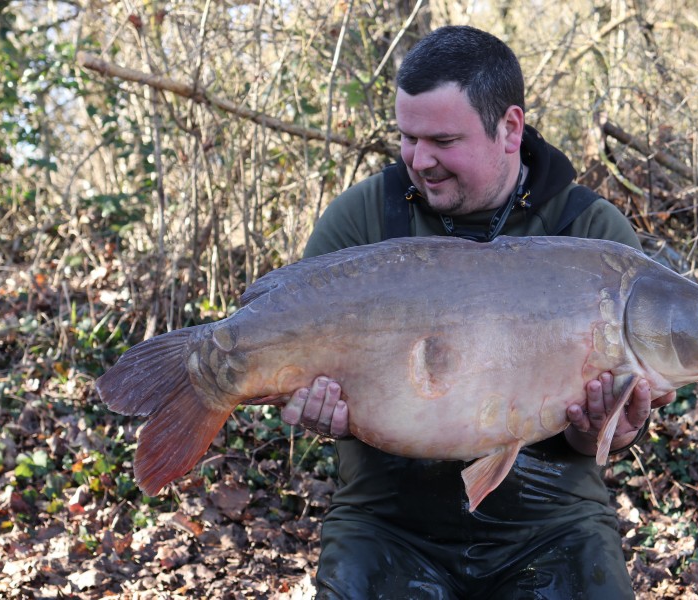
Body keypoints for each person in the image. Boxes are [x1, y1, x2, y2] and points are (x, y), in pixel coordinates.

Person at [276, 25, 675, 599]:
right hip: (388, 522)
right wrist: (314, 406)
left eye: (442, 140)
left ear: (509, 128)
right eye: (408, 139)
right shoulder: (363, 219)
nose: (419, 160)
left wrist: (614, 431)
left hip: (551, 524)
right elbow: (298, 362)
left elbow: (611, 431)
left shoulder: (592, 235)